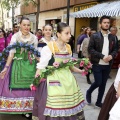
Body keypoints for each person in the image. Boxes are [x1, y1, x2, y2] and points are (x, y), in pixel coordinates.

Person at [32, 22, 86, 120]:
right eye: (67, 33)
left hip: (69, 81)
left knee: (69, 105)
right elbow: (41, 66)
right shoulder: (48, 48)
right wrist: (35, 82)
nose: (70, 35)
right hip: (54, 79)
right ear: (58, 34)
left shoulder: (68, 47)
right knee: (56, 105)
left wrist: (82, 71)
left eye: (70, 33)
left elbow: (71, 67)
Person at [0, 17, 38, 119]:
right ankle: (20, 108)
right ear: (20, 25)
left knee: (31, 87)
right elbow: (11, 54)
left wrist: (43, 64)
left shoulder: (34, 38)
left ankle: (29, 109)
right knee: (17, 89)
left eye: (28, 25)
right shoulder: (15, 37)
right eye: (24, 25)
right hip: (17, 64)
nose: (26, 27)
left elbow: (36, 54)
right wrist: (6, 67)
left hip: (30, 64)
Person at [86, 15, 117, 108]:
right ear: (100, 24)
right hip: (97, 63)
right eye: (105, 22)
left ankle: (99, 102)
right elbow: (90, 49)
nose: (107, 24)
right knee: (98, 82)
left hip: (107, 65)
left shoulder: (113, 37)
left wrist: (111, 55)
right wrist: (102, 56)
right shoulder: (95, 36)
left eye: (108, 23)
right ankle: (89, 91)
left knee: (103, 85)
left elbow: (116, 49)